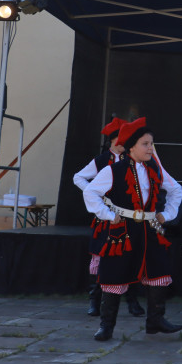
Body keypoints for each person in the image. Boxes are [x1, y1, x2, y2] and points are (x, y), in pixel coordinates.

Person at [83, 118, 182, 341]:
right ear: (131, 147)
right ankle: (106, 326)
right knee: (114, 273)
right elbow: (90, 192)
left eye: (151, 144)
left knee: (157, 271)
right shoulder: (114, 170)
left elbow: (176, 189)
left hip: (150, 228)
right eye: (145, 144)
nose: (150, 148)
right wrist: (109, 215)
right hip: (123, 229)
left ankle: (155, 321)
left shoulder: (155, 169)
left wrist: (166, 215)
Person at [72, 116, 146, 318]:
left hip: (129, 217)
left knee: (129, 256)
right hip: (106, 218)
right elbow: (78, 177)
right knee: (101, 256)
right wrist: (94, 192)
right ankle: (95, 301)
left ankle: (132, 301)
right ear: (114, 140)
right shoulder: (102, 160)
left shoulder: (135, 160)